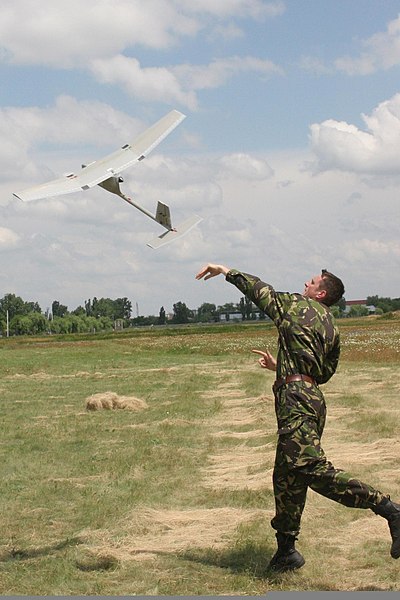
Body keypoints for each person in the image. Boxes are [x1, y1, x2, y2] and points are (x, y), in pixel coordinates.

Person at [195, 263, 400, 573]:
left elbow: (260, 291)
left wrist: (227, 271)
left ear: (320, 292)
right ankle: (286, 551)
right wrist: (284, 366)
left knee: (308, 467)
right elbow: (324, 372)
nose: (306, 281)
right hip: (313, 400)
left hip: (296, 401)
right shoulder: (332, 324)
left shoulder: (295, 305)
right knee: (286, 475)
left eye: (313, 281)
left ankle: (388, 508)